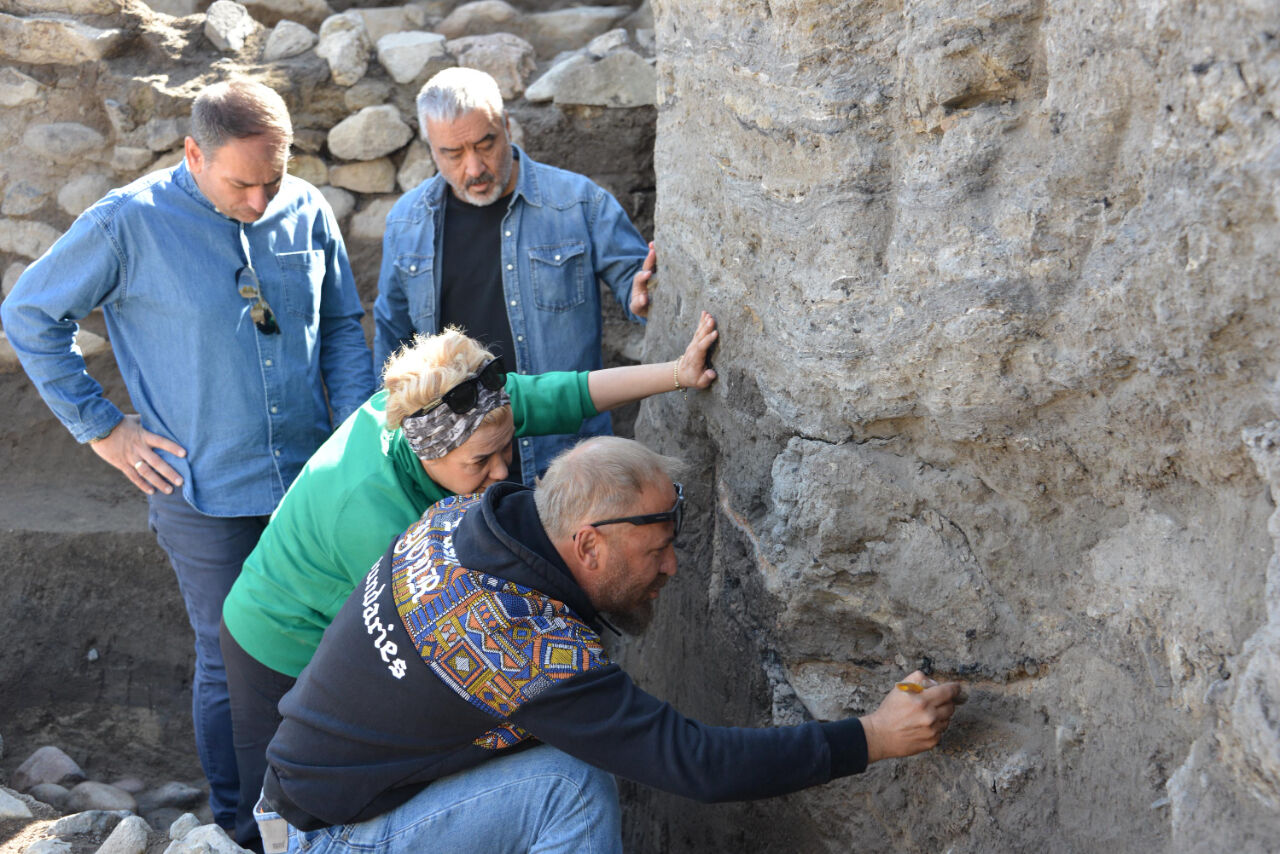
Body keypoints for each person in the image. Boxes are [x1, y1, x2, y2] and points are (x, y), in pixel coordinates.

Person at [255, 436, 967, 853]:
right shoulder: (519, 641)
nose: (672, 566)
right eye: (657, 549)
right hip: (328, 838)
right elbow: (697, 764)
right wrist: (871, 737)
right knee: (571, 784)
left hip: (305, 793)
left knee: (566, 745)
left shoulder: (466, 517)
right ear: (588, 543)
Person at [0, 79, 374, 838]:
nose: (262, 199)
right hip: (201, 489)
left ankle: (317, 808)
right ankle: (242, 827)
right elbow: (30, 313)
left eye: (274, 177)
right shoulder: (128, 224)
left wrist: (358, 435)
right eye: (243, 183)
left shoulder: (302, 208)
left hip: (310, 483)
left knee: (327, 639)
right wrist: (105, 430)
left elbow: (340, 325)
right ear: (193, 154)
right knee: (232, 655)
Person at [219, 312, 720, 845]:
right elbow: (430, 660)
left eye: (507, 448)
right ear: (428, 452)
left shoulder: (464, 406)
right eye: (482, 461)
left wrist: (676, 373)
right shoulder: (371, 514)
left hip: (337, 608)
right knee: (280, 824)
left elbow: (567, 395)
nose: (503, 471)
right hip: (279, 640)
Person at [373, 66, 658, 484]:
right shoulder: (406, 222)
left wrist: (642, 296)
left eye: (485, 144)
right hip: (461, 468)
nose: (474, 168)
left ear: (507, 126)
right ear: (430, 149)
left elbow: (640, 289)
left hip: (566, 459)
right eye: (453, 153)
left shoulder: (579, 203)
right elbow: (391, 343)